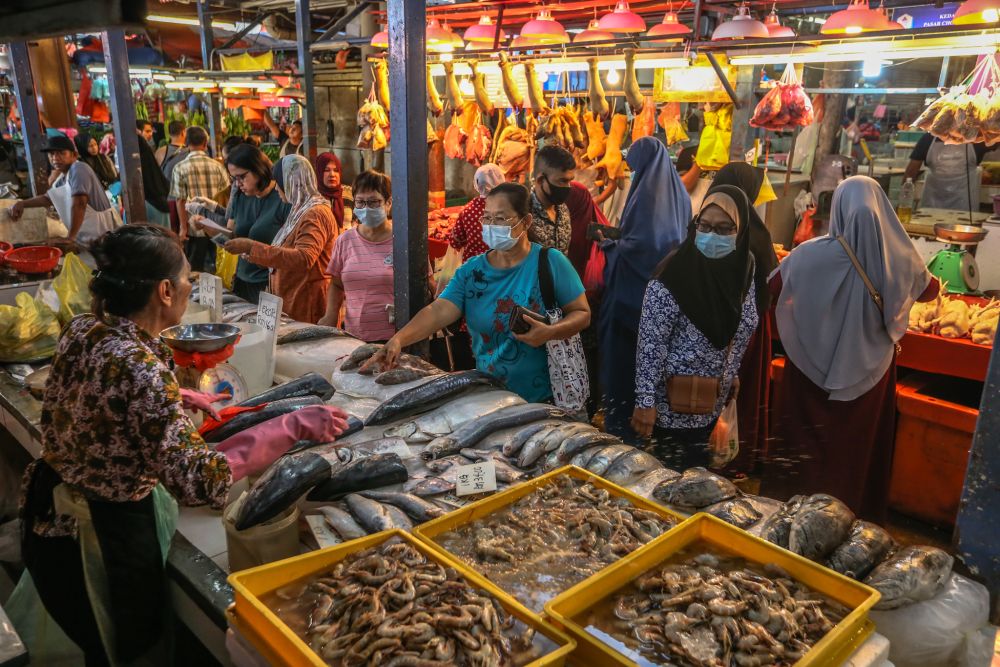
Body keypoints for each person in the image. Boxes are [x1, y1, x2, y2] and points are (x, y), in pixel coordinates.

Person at [14, 225, 349, 666]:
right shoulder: (140, 370)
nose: (193, 285)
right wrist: (293, 426)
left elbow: (101, 391)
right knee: (126, 651)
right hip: (100, 533)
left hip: (51, 505)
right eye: (189, 276)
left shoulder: (86, 327)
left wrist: (177, 392)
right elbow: (202, 482)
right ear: (166, 291)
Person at [762, 176, 937, 523]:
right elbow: (930, 292)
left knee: (805, 441)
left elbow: (772, 288)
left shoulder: (809, 254)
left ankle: (788, 516)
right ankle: (850, 519)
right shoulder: (900, 257)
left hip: (809, 366)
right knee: (855, 446)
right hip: (871, 371)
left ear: (838, 209)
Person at [362, 183, 591, 403]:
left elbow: (582, 313)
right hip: (490, 394)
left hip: (546, 398)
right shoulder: (472, 271)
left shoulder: (551, 262)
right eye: (487, 218)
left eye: (500, 218)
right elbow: (439, 310)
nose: (492, 225)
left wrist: (550, 332)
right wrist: (398, 340)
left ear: (526, 221)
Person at [631, 186, 758, 469]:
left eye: (725, 228)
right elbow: (651, 344)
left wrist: (731, 369)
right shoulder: (673, 274)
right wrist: (645, 402)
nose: (712, 235)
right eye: (705, 225)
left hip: (715, 401)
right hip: (671, 408)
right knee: (669, 483)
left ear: (742, 231)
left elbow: (741, 323)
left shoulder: (744, 268)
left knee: (700, 478)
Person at [598, 137, 690, 443]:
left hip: (632, 300)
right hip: (668, 299)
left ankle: (623, 440)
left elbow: (641, 249)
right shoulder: (679, 192)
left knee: (623, 373)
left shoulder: (647, 193)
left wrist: (609, 245)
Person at [710, 162, 780, 474]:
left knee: (725, 392)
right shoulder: (756, 233)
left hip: (729, 327)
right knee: (739, 393)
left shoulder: (711, 225)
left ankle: (720, 454)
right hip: (750, 329)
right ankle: (735, 456)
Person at [224, 154, 336, 323]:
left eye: (279, 183)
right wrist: (252, 254)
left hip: (307, 303)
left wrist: (252, 247)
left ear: (292, 181)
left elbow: (304, 258)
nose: (276, 189)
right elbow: (285, 252)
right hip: (291, 300)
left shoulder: (315, 213)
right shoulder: (299, 209)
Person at [195, 144, 289, 305]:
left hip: (269, 284)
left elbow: (290, 251)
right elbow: (231, 235)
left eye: (242, 177)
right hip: (241, 279)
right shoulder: (240, 195)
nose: (237, 184)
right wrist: (206, 226)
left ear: (258, 169)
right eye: (234, 179)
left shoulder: (282, 198)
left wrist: (252, 246)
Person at [319, 170, 396, 340]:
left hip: (395, 338)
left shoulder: (403, 243)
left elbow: (424, 286)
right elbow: (337, 284)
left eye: (374, 202)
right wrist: (330, 315)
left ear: (388, 203)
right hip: (354, 335)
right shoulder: (345, 241)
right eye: (360, 202)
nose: (366, 208)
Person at [8, 135, 120, 246]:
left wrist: (70, 238)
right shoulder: (62, 179)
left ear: (74, 155)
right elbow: (48, 199)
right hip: (87, 237)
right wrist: (22, 203)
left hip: (102, 232)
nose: (55, 158)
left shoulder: (79, 168)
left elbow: (80, 203)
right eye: (51, 154)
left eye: (61, 153)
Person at [170, 126, 229, 272]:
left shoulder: (179, 168)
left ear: (187, 143)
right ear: (205, 143)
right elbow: (227, 196)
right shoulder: (218, 166)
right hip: (217, 227)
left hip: (194, 228)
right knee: (219, 268)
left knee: (196, 270)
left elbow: (180, 201)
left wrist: (183, 229)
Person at [903, 132, 989, 211]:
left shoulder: (976, 138)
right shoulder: (928, 138)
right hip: (931, 203)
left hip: (964, 205)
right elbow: (911, 172)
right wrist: (903, 202)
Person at [447, 164, 504, 263]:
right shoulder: (507, 208)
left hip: (473, 268)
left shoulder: (468, 210)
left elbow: (455, 241)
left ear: (477, 184)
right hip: (501, 266)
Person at [529, 145, 574, 254]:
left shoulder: (562, 208)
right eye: (562, 181)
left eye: (570, 181)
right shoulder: (523, 213)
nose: (568, 187)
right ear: (540, 180)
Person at [130, 120, 172, 228]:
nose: (151, 134)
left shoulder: (137, 202)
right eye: (147, 131)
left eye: (151, 131)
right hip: (159, 202)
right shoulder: (147, 154)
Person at [315, 152, 346, 229]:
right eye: (326, 170)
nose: (332, 174)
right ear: (319, 173)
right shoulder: (314, 199)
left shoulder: (349, 195)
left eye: (336, 170)